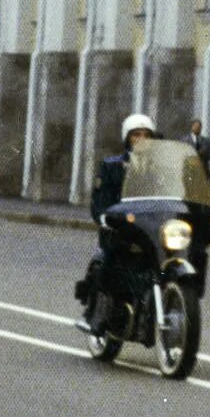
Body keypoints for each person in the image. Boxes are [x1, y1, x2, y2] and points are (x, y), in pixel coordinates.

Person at [74, 113, 157, 326]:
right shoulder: (112, 166)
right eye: (136, 134)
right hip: (120, 230)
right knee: (112, 261)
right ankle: (96, 315)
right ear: (127, 138)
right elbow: (100, 201)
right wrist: (106, 219)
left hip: (150, 230)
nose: (142, 138)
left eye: (146, 134)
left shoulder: (160, 169)